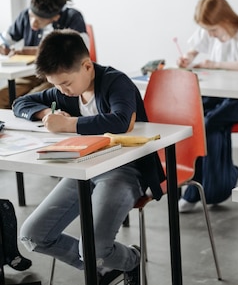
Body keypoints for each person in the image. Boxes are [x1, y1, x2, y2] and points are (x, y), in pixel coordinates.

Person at [13, 29, 165, 285]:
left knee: (93, 246)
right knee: (32, 236)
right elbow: (20, 104)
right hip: (83, 169)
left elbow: (121, 121)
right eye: (56, 86)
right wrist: (45, 116)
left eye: (66, 83)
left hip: (125, 169)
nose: (62, 91)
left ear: (86, 66)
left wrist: (67, 125)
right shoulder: (66, 91)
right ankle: (103, 267)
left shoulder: (116, 82)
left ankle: (130, 260)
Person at [176, 0, 238, 213]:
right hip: (217, 95)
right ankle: (221, 180)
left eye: (213, 30)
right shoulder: (209, 31)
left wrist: (216, 64)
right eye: (207, 30)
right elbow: (192, 50)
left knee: (210, 122)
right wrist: (186, 58)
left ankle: (198, 191)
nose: (210, 35)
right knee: (195, 120)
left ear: (225, 20)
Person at [0, 0, 88, 109]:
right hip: (32, 74)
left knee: (28, 101)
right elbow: (6, 37)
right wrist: (3, 45)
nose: (33, 23)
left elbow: (81, 52)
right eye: (31, 16)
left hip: (58, 76)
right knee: (3, 97)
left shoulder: (72, 17)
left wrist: (28, 51)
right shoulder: (25, 15)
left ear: (55, 17)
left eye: (39, 20)